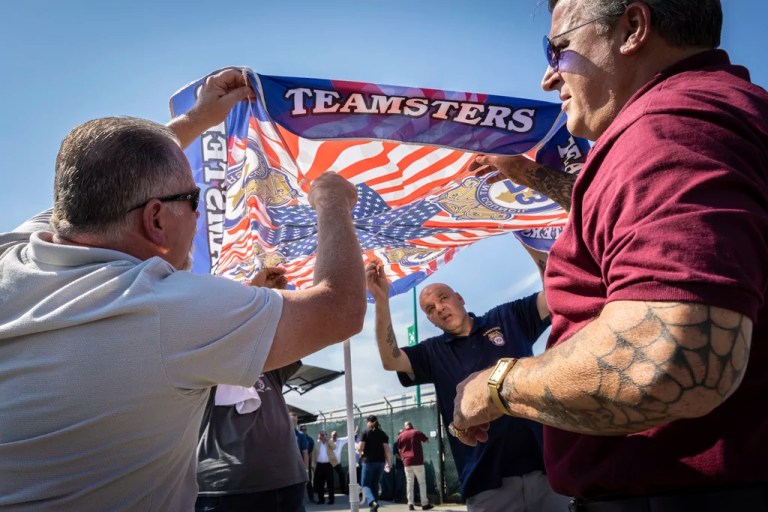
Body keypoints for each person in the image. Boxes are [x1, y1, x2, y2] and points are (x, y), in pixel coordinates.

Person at [0, 68, 367, 511]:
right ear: (155, 219)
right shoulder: (161, 309)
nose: (198, 216)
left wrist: (199, 117)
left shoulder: (13, 255)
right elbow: (340, 309)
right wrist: (332, 202)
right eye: (193, 201)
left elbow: (110, 178)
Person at [453, 1, 768, 511]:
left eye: (556, 50)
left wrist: (495, 386)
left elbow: (671, 362)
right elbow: (620, 209)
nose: (548, 78)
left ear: (633, 28)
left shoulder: (669, 128)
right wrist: (528, 173)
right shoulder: (715, 114)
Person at [366, 258, 568, 512]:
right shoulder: (432, 352)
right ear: (431, 320)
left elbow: (554, 294)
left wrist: (531, 243)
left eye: (443, 298)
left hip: (547, 470)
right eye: (429, 309)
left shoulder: (507, 318)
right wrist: (381, 300)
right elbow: (391, 359)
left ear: (459, 298)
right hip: (487, 486)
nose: (438, 308)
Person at [196, 337, 306, 511]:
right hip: (224, 485)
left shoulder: (268, 364)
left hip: (286, 480)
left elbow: (297, 335)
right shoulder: (197, 359)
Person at [397, 422, 433, 511]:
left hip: (407, 462)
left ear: (405, 427)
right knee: (422, 483)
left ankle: (410, 504)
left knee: (409, 483)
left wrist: (403, 458)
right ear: (412, 425)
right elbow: (426, 440)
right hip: (418, 461)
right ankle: (424, 504)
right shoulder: (416, 432)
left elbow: (399, 449)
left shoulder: (401, 435)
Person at [358, 415, 392, 511]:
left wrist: (357, 447)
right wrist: (388, 463)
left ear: (369, 422)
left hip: (368, 462)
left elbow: (361, 447)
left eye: (367, 421)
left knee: (365, 484)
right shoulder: (383, 434)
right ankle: (374, 508)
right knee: (375, 484)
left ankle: (372, 502)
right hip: (380, 462)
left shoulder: (365, 433)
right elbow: (387, 450)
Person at [311, 431, 338, 505]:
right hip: (319, 465)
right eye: (321, 435)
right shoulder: (316, 443)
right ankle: (321, 500)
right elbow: (313, 455)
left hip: (328, 465)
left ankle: (331, 500)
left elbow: (334, 447)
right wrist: (313, 465)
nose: (322, 436)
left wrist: (328, 440)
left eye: (324, 435)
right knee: (320, 483)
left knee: (330, 483)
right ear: (319, 436)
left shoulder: (329, 443)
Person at [300, 425, 316, 503]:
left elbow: (311, 450)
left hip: (307, 463)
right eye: (302, 429)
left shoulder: (310, 440)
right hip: (298, 462)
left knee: (308, 480)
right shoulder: (297, 437)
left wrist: (307, 459)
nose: (303, 430)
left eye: (304, 429)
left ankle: (311, 498)